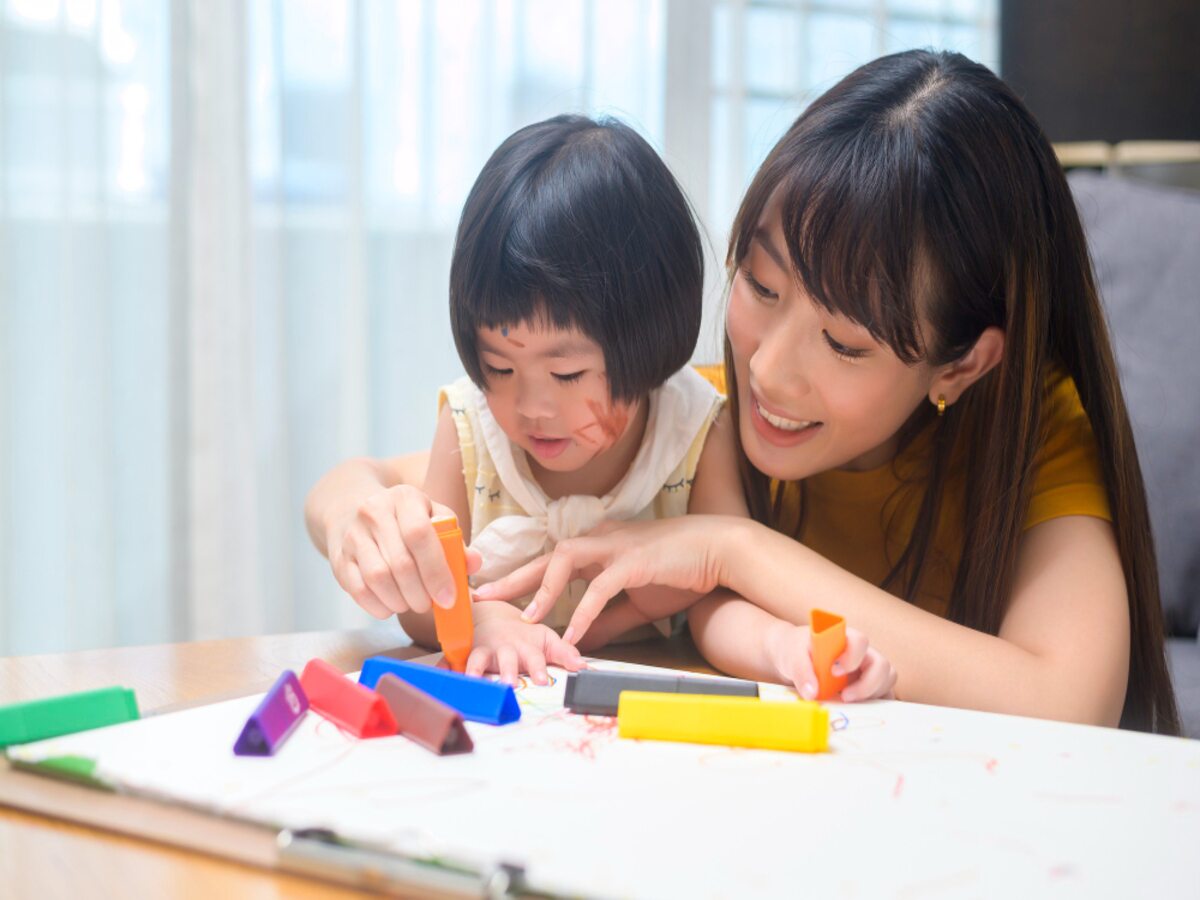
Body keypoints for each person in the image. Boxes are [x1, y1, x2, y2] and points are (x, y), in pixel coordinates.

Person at [470, 51, 1180, 733]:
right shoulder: (696, 418)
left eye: (843, 343)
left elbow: (1065, 700)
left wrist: (732, 548)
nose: (768, 371)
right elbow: (466, 470)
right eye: (761, 285)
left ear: (961, 365)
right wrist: (393, 513)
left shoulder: (1032, 432)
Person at [305, 114, 897, 701]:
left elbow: (716, 604)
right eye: (500, 367)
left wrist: (783, 647)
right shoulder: (468, 426)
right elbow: (421, 602)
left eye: (567, 374)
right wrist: (484, 622)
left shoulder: (694, 431)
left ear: (647, 342)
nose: (531, 406)